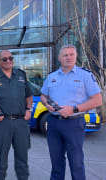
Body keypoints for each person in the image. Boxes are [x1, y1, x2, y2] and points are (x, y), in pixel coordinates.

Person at [40, 44, 102, 180]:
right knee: (56, 162)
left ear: (76, 56)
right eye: (65, 55)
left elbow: (97, 100)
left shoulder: (85, 75)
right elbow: (43, 95)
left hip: (74, 123)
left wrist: (74, 109)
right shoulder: (52, 77)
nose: (68, 57)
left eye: (71, 54)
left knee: (76, 163)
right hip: (54, 123)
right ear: (59, 58)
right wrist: (46, 104)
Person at [0, 50, 33, 180]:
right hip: (2, 123)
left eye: (10, 58)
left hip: (21, 122)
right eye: (4, 59)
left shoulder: (21, 75)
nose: (8, 61)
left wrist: (29, 110)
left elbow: (29, 95)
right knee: (0, 159)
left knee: (22, 158)